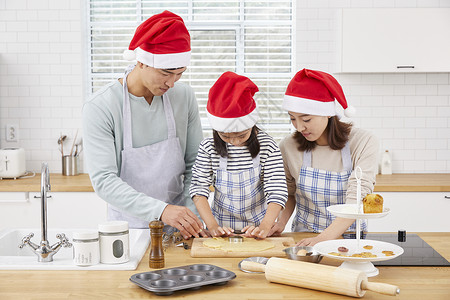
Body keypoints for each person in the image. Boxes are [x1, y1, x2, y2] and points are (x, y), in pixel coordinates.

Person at [82, 11, 206, 239]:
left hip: (180, 229)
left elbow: (196, 166)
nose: (172, 83)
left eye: (179, 74)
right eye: (165, 73)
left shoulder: (184, 97)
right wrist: (161, 211)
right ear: (141, 61)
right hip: (126, 230)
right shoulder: (101, 107)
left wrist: (192, 216)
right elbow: (104, 181)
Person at [268, 69, 379, 246]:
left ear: (328, 113)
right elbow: (289, 193)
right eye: (293, 119)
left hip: (349, 239)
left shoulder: (363, 141)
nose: (299, 127)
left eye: (306, 119)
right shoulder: (288, 146)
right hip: (303, 236)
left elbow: (356, 198)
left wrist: (322, 239)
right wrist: (279, 223)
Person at [189, 71, 288, 239]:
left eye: (242, 135)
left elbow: (277, 189)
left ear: (252, 125)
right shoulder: (208, 147)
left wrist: (265, 226)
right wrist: (212, 226)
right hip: (221, 230)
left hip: (257, 230)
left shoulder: (267, 146)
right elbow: (199, 190)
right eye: (226, 136)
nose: (234, 142)